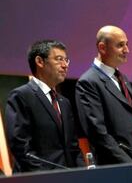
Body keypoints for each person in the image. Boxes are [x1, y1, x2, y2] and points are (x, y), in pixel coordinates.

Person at [76, 25, 132, 165]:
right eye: (120, 45)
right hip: (119, 166)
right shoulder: (88, 82)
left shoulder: (122, 78)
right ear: (102, 48)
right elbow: (98, 133)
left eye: (126, 44)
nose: (127, 50)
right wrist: (129, 164)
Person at [5, 40, 83, 172]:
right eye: (59, 59)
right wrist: (48, 178)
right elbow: (22, 148)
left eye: (66, 60)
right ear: (40, 61)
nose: (65, 65)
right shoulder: (21, 96)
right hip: (39, 182)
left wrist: (83, 172)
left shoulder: (65, 102)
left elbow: (73, 147)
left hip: (70, 180)